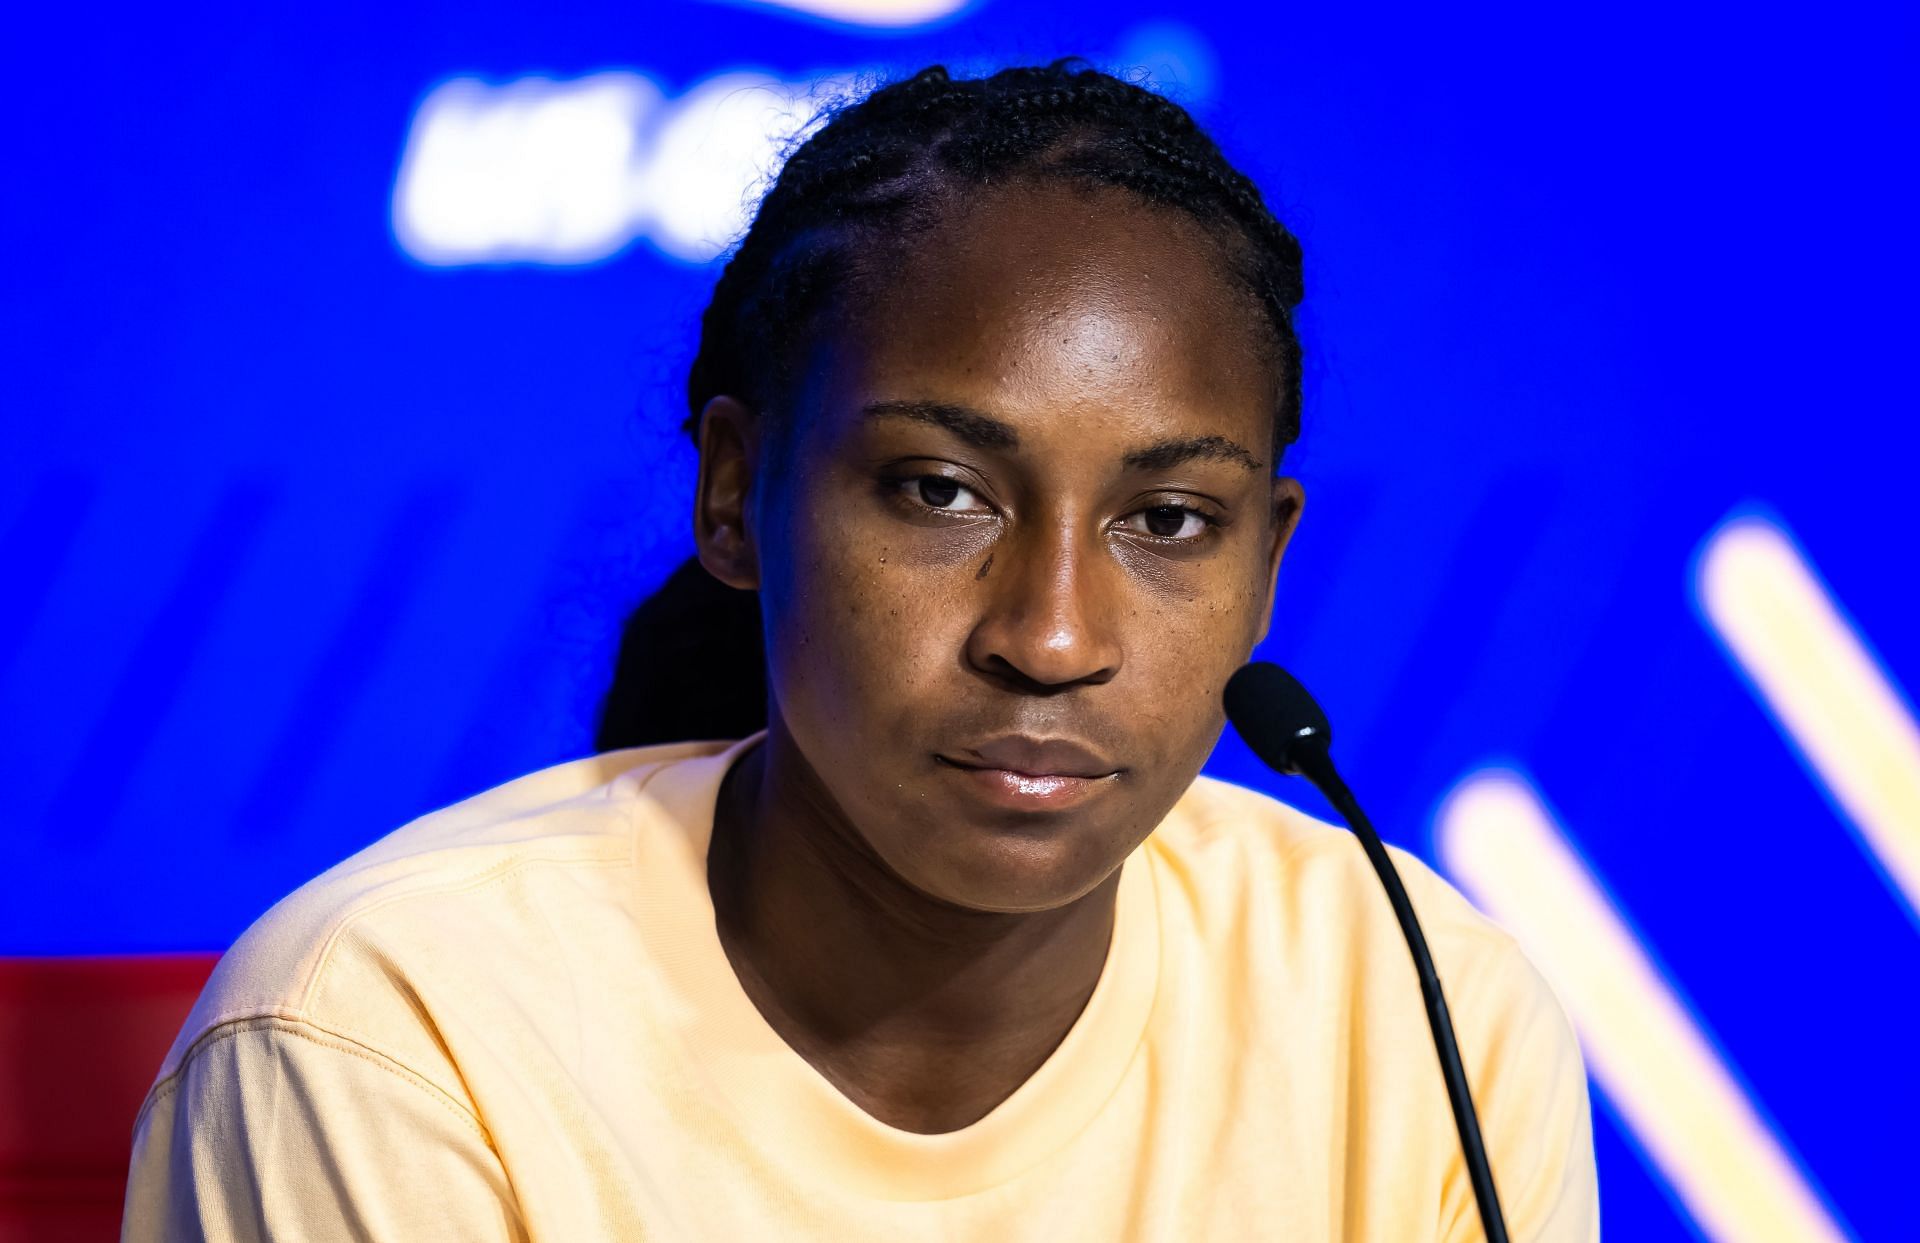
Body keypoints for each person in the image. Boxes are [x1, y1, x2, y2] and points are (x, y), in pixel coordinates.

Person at [122, 61, 1597, 1241]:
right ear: (733, 496)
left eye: (1167, 518)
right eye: (938, 492)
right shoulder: (391, 1040)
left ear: (1266, 563)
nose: (1054, 636)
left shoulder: (1416, 1012)